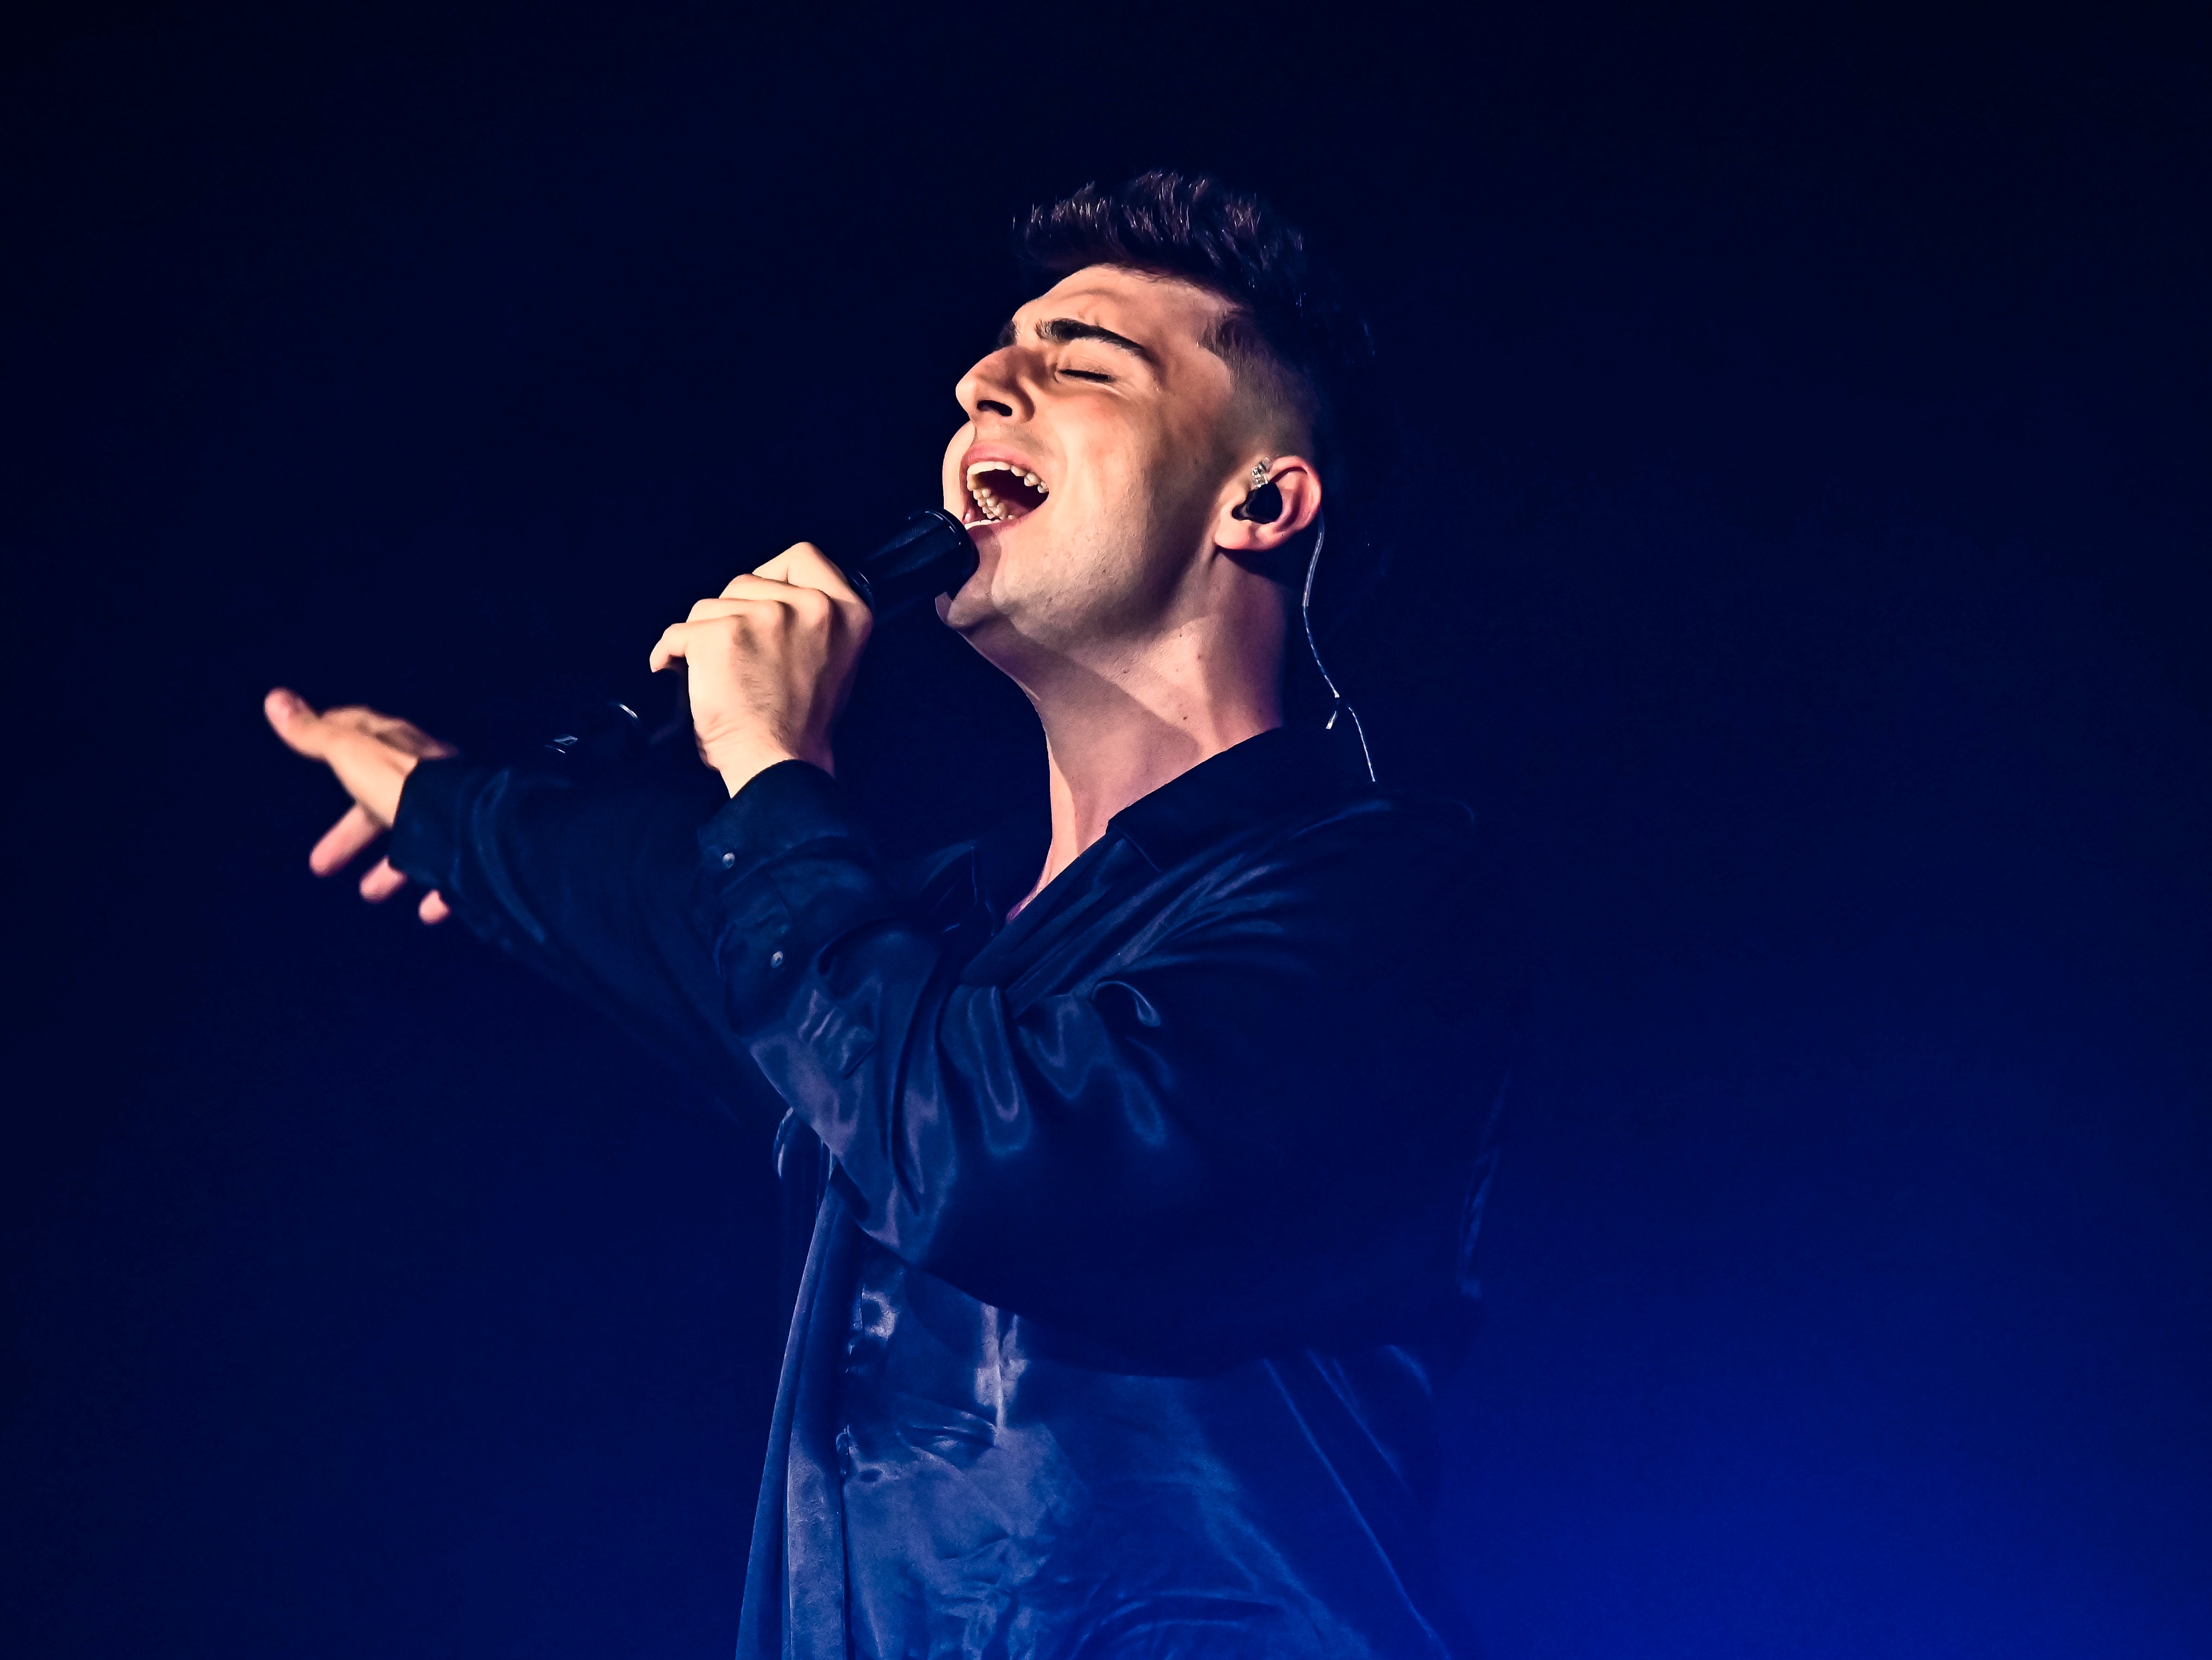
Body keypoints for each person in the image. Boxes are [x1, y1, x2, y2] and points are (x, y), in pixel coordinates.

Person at [265, 171, 1518, 1660]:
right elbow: (667, 906)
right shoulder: (934, 946)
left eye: (1081, 362)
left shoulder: (1381, 895)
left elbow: (1006, 1154)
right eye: (997, 356)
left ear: (1261, 498)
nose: (984, 381)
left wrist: (777, 772)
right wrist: (444, 806)